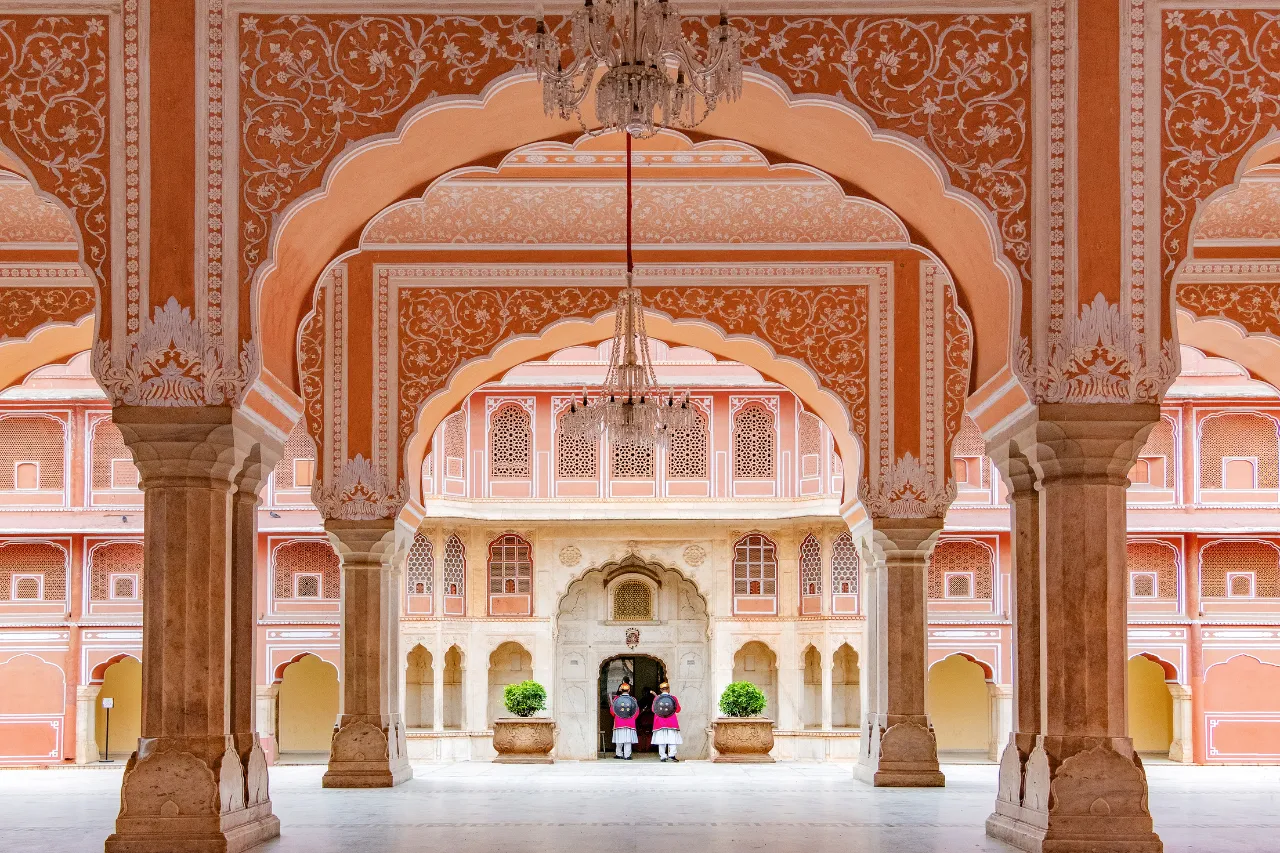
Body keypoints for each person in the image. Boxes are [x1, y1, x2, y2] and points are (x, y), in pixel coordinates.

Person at [651, 681, 682, 762]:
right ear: (668, 689)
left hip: (660, 722)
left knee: (661, 740)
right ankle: (672, 754)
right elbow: (678, 709)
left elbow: (653, 709)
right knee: (672, 739)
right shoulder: (673, 698)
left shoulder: (656, 698)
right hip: (671, 721)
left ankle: (663, 756)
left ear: (661, 690)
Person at [610, 683, 638, 760]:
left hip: (619, 722)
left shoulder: (616, 699)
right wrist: (631, 719)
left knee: (619, 739)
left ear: (620, 690)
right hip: (630, 722)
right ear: (629, 690)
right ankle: (627, 755)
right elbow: (636, 712)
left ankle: (619, 754)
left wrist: (617, 718)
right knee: (628, 740)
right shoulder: (633, 699)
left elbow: (612, 711)